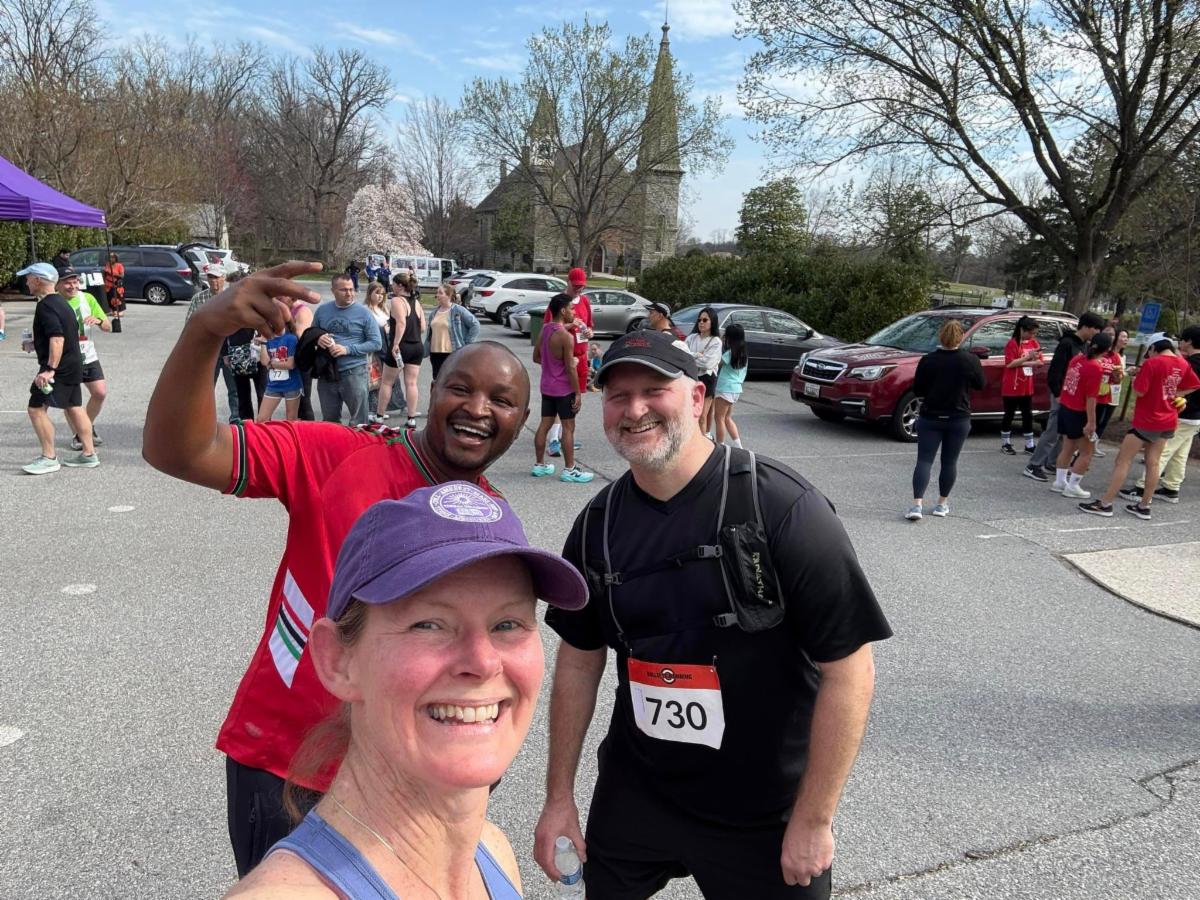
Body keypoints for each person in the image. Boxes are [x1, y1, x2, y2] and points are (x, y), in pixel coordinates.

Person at [141, 261, 534, 877]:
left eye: (502, 400)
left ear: (520, 423)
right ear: (432, 391)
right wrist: (204, 332)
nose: (478, 408)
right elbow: (179, 450)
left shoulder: (494, 519)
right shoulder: (336, 456)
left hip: (419, 774)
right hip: (291, 769)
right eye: (461, 388)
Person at [534, 329, 891, 900]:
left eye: (655, 390)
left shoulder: (781, 506)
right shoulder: (598, 524)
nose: (635, 409)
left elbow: (850, 669)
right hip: (638, 793)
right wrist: (559, 798)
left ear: (698, 397)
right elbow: (579, 659)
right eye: (619, 396)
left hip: (763, 810)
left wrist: (815, 817)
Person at [225, 487, 587, 899]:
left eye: (507, 624)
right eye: (429, 624)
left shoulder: (492, 852)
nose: (484, 662)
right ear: (337, 661)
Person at [1080, 332, 1200, 520]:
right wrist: (1176, 393)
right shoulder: (1182, 363)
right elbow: (1195, 384)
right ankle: (1144, 506)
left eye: (1149, 351)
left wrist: (1136, 379)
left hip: (1147, 419)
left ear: (1153, 348)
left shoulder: (1152, 363)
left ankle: (1105, 503)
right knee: (1154, 462)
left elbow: (1140, 391)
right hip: (1168, 419)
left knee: (1123, 460)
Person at [17, 262, 98, 474]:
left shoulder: (46, 306)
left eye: (28, 278)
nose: (26, 282)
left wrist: (49, 369)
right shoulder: (62, 303)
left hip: (58, 368)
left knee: (36, 409)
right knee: (74, 406)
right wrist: (35, 344)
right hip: (72, 364)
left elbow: (58, 338)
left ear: (37, 280)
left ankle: (49, 457)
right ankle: (89, 454)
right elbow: (63, 335)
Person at [905, 319, 986, 520]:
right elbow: (980, 384)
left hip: (931, 416)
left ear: (941, 336)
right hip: (958, 416)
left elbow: (918, 389)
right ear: (961, 337)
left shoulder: (928, 360)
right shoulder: (970, 360)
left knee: (924, 460)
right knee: (949, 462)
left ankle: (917, 505)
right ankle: (941, 504)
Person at [1024, 312, 1105, 481]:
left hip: (1073, 396)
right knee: (1052, 431)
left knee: (1064, 432)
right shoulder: (1067, 344)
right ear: (1086, 327)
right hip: (1061, 393)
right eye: (1096, 329)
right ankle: (1034, 465)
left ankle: (1053, 462)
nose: (1097, 333)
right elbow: (1055, 371)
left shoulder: (1084, 346)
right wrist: (1057, 393)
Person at [1126, 325, 1200, 503]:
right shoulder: (1191, 361)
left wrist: (1174, 394)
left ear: (1189, 341)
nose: (1180, 343)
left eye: (1182, 340)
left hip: (1183, 412)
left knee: (1162, 452)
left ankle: (1143, 488)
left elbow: (1178, 382)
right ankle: (1171, 487)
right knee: (1180, 453)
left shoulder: (1192, 363)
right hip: (1195, 416)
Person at [531, 294, 594, 484]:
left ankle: (539, 465)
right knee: (568, 428)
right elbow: (569, 368)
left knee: (544, 425)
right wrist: (577, 393)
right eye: (571, 309)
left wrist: (552, 365)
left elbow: (536, 357)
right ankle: (570, 469)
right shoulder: (566, 337)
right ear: (563, 310)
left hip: (547, 386)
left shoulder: (545, 329)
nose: (574, 312)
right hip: (563, 389)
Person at [1050, 332, 1112, 500]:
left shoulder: (1077, 359)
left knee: (1068, 447)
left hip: (1066, 407)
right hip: (1079, 412)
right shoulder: (1095, 368)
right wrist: (1091, 422)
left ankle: (1060, 481)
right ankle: (1073, 485)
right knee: (1086, 452)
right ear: (1107, 350)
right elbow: (1091, 398)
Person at [313, 274, 382, 425]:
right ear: (333, 291)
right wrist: (318, 339)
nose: (349, 293)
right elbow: (311, 334)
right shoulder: (322, 311)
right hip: (327, 373)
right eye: (344, 290)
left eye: (351, 289)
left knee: (359, 423)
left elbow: (376, 343)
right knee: (329, 422)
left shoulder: (364, 313)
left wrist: (347, 349)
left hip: (354, 372)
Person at [58, 267, 112, 450]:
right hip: (65, 358)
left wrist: (98, 321)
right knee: (70, 401)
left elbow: (108, 326)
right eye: (67, 283)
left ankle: (85, 428)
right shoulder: (53, 302)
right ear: (57, 285)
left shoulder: (87, 298)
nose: (72, 286)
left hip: (88, 355)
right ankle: (80, 434)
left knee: (100, 393)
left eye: (75, 282)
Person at [542, 268, 593, 458]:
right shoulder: (559, 302)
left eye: (582, 286)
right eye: (576, 286)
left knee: (573, 402)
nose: (579, 289)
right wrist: (569, 326)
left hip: (581, 355)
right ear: (568, 282)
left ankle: (566, 436)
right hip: (564, 358)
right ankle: (554, 440)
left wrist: (589, 332)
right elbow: (548, 328)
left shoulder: (585, 301)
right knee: (560, 399)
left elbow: (590, 325)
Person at [190, 263, 241, 423]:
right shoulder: (199, 298)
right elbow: (190, 325)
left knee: (234, 388)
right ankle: (202, 421)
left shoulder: (232, 297)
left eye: (216, 277)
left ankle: (235, 419)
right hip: (208, 351)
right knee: (205, 388)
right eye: (210, 277)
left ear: (223, 278)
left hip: (229, 350)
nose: (213, 281)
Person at [999, 316, 1042, 454]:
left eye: (1034, 333)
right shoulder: (1013, 343)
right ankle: (1005, 443)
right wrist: (1028, 358)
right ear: (1022, 330)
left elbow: (1040, 361)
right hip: (1012, 385)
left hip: (1026, 385)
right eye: (1030, 333)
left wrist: (1027, 361)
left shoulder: (1033, 343)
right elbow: (1010, 364)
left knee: (1027, 415)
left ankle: (1029, 444)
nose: (1032, 336)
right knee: (1009, 414)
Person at [424, 281, 481, 380]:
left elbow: (475, 325)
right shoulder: (434, 313)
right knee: (437, 380)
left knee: (451, 380)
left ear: (449, 295)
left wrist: (467, 344)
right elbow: (430, 335)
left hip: (452, 353)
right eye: (437, 293)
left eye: (440, 293)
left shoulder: (458, 310)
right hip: (435, 353)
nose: (437, 295)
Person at [394, 274, 426, 429]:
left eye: (394, 284)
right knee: (412, 383)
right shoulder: (417, 302)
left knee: (387, 381)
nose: (392, 286)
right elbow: (423, 327)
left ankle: (379, 415)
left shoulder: (397, 300)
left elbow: (401, 323)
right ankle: (411, 417)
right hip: (417, 345)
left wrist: (395, 343)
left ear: (400, 285)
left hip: (402, 345)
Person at [257, 315, 303, 422]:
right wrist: (263, 343)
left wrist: (272, 364)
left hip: (291, 385)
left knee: (291, 420)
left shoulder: (291, 338)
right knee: (261, 419)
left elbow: (290, 365)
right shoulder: (268, 339)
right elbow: (264, 362)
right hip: (273, 385)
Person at [686, 306, 723, 438]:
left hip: (707, 380)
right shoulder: (691, 338)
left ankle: (703, 445)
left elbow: (708, 364)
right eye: (699, 320)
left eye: (705, 320)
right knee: (689, 414)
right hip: (691, 378)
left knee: (702, 416)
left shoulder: (716, 341)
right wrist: (697, 355)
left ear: (712, 322)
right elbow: (682, 355)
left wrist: (690, 357)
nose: (701, 322)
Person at [1093, 328, 1128, 456]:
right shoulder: (1098, 354)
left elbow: (1119, 377)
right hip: (1095, 393)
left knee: (1103, 419)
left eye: (1127, 337)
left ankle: (1093, 445)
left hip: (1112, 392)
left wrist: (1119, 374)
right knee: (1092, 419)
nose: (1125, 340)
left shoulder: (1118, 357)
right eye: (1122, 336)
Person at [714, 322, 748, 448]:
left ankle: (720, 446)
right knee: (727, 418)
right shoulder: (743, 354)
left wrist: (720, 344)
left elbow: (717, 364)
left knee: (719, 418)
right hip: (736, 389)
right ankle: (739, 447)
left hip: (725, 388)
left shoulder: (729, 353)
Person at [362, 283, 390, 422]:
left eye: (382, 294)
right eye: (377, 293)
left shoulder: (383, 309)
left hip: (385, 348)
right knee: (371, 380)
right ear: (370, 293)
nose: (380, 296)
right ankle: (369, 410)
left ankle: (378, 409)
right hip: (372, 351)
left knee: (381, 380)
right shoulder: (365, 310)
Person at [290, 298, 317, 421]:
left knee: (304, 401)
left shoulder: (302, 311)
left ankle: (310, 429)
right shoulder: (285, 309)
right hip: (289, 361)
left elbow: (302, 338)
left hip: (302, 362)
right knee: (293, 402)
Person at [102, 252, 126, 318]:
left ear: (116, 258)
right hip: (108, 285)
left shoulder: (119, 265)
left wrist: (113, 273)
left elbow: (122, 275)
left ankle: (120, 312)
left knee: (117, 298)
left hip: (116, 285)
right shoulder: (107, 264)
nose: (111, 258)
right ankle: (113, 311)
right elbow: (105, 273)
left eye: (112, 257)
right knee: (110, 298)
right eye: (110, 257)